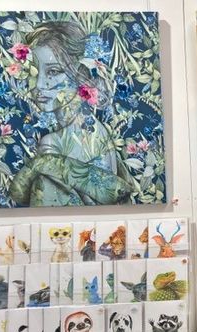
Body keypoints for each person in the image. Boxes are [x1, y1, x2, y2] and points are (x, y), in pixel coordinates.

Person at [9, 21, 133, 206]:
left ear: (81, 74)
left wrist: (41, 163)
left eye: (53, 71)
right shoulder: (99, 131)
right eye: (33, 72)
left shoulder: (53, 143)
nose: (40, 84)